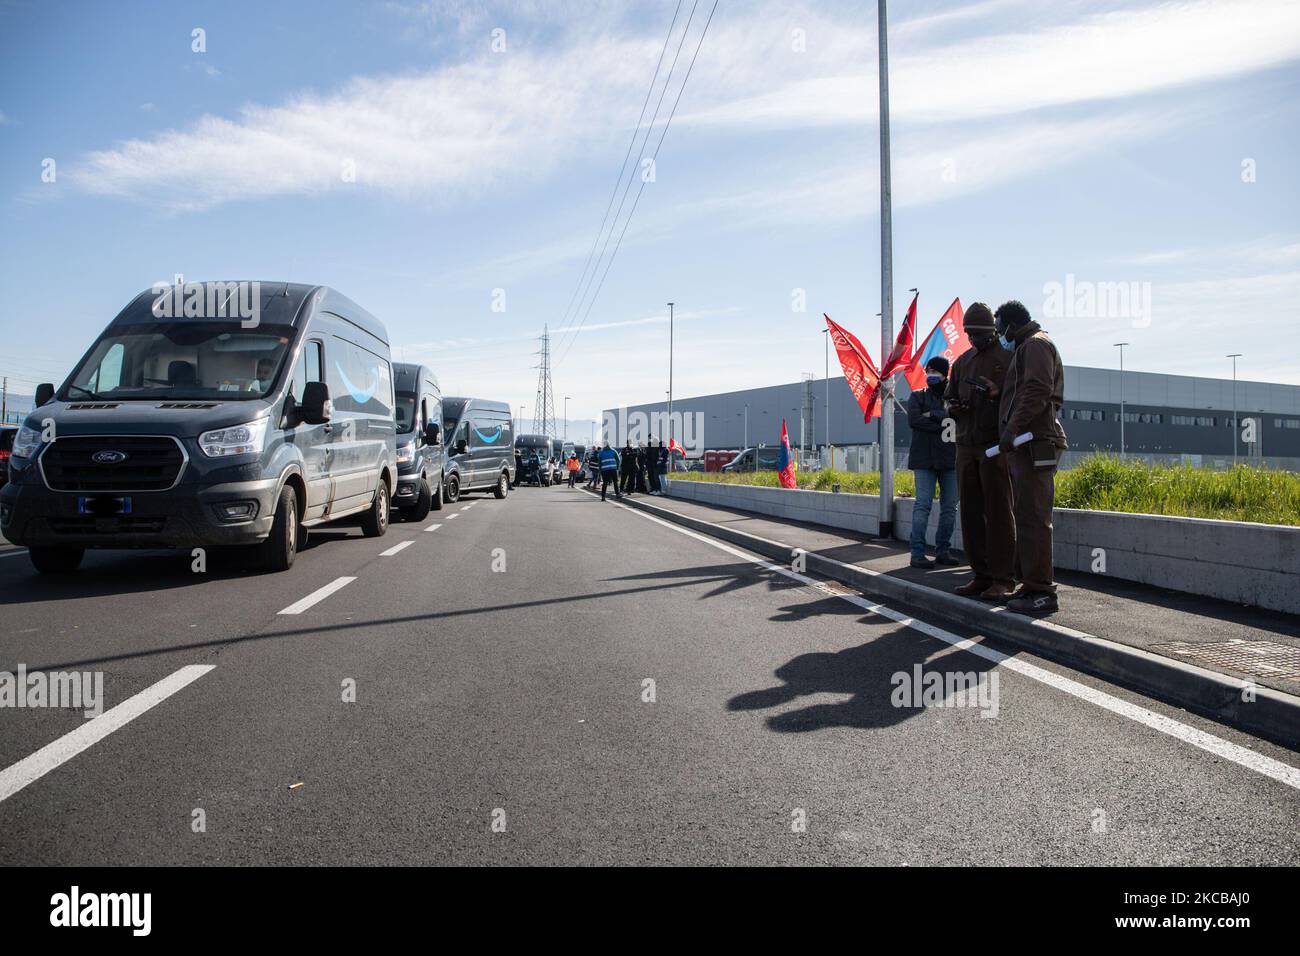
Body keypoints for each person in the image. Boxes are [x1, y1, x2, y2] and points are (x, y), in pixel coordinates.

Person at [995, 299, 1068, 615]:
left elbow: (1037, 389)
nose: (1000, 336)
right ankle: (1032, 586)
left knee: (1034, 517)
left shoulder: (1035, 346)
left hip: (1034, 443)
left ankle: (1041, 592)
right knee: (1026, 515)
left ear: (1011, 326)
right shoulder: (1028, 346)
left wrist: (1011, 430)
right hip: (1029, 443)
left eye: (1000, 330)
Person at [945, 302, 1016, 601]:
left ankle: (1003, 578)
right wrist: (955, 407)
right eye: (971, 335)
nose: (975, 339)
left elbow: (1019, 400)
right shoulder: (962, 362)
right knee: (971, 513)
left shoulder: (1009, 359)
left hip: (994, 446)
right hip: (965, 444)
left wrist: (995, 394)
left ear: (994, 332)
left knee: (999, 512)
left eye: (981, 334)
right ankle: (981, 574)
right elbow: (948, 399)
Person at [906, 356, 958, 568]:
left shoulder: (954, 398)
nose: (930, 375)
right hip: (923, 459)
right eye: (929, 371)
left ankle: (942, 551)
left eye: (935, 372)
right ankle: (917, 553)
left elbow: (957, 420)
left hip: (950, 460)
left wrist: (933, 415)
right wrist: (943, 420)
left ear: (945, 374)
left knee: (950, 508)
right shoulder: (917, 396)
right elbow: (914, 420)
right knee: (922, 505)